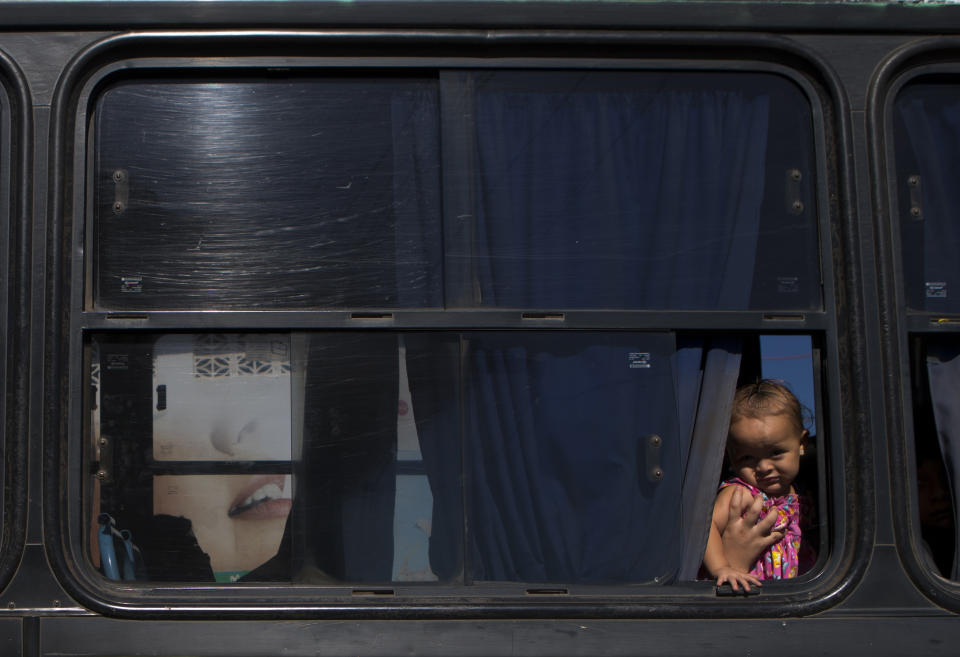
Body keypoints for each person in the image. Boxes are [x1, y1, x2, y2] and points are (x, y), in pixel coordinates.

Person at [703, 379, 811, 592]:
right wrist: (722, 568)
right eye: (747, 458)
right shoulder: (740, 493)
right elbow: (706, 528)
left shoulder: (801, 497)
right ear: (732, 458)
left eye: (776, 453)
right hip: (750, 592)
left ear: (801, 444)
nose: (763, 467)